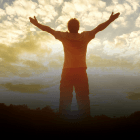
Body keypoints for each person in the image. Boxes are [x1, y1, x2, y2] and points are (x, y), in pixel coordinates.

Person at [29, 11, 120, 121]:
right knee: (83, 100)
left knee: (65, 100)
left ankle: (65, 122)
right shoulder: (85, 36)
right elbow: (99, 28)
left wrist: (36, 24)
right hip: (80, 72)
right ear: (78, 27)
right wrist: (110, 20)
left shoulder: (64, 35)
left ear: (68, 27)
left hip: (67, 72)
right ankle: (84, 122)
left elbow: (48, 29)